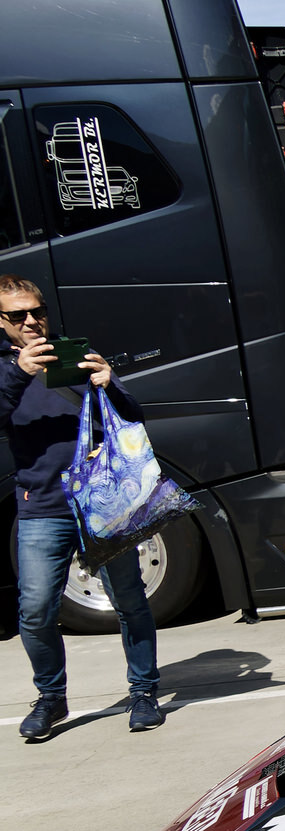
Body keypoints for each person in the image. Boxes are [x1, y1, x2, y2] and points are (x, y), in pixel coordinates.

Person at [0, 276, 163, 740]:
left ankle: (144, 692)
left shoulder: (77, 354)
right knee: (35, 609)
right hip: (41, 505)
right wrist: (20, 372)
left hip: (101, 502)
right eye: (17, 315)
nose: (31, 321)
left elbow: (131, 417)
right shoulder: (5, 370)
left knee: (129, 599)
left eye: (37, 311)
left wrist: (111, 385)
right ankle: (51, 698)